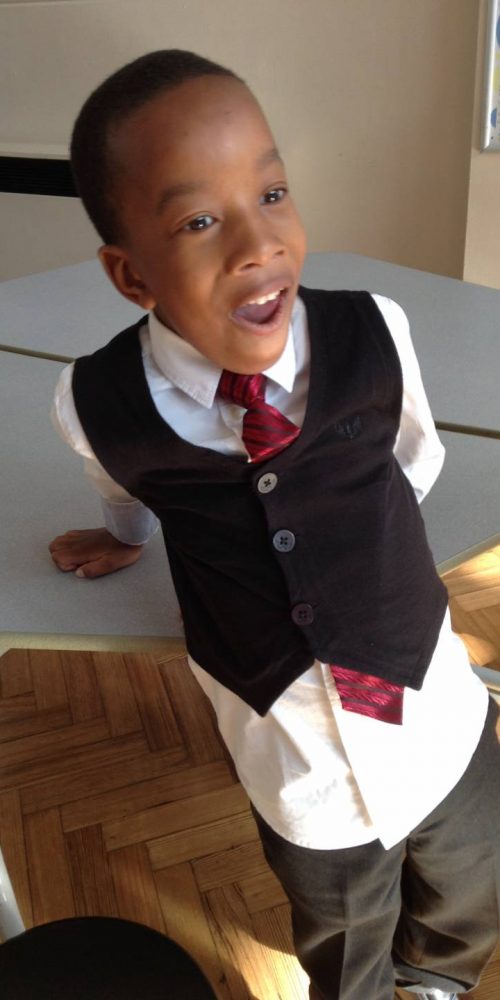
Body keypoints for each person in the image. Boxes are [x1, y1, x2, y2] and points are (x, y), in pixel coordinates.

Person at [49, 49, 500, 1000]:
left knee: (471, 877)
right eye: (199, 220)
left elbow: (412, 457)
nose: (259, 244)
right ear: (130, 274)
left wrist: (365, 550)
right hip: (293, 764)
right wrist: (126, 536)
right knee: (339, 923)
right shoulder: (96, 400)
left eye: (273, 193)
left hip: (436, 716)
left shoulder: (373, 332)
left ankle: (438, 979)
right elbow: (118, 478)